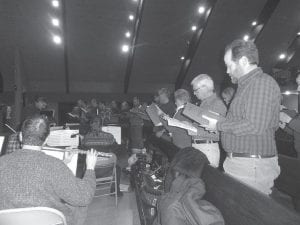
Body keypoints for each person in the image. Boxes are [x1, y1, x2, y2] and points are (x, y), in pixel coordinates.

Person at [205, 39, 281, 195]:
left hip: (251, 164)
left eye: (229, 65)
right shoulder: (246, 86)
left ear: (244, 61)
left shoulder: (260, 83)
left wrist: (218, 125)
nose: (227, 71)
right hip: (243, 162)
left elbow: (254, 125)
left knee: (249, 217)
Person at [0, 115, 98, 225]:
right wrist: (90, 168)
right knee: (77, 205)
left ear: (21, 136)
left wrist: (64, 162)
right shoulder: (55, 166)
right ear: (46, 139)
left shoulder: (2, 162)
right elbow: (84, 197)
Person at [154, 147, 224, 225]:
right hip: (184, 202)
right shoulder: (189, 186)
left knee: (171, 206)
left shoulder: (170, 202)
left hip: (180, 202)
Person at [189, 74, 227, 168]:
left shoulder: (217, 104)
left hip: (207, 148)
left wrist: (194, 130)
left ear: (205, 88)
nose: (194, 93)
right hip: (199, 147)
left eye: (195, 90)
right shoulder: (203, 104)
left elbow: (219, 133)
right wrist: (188, 125)